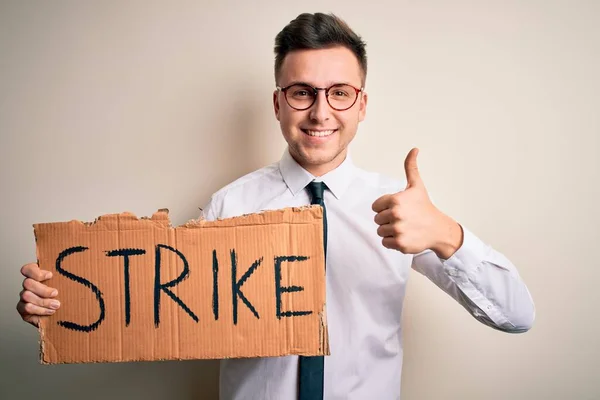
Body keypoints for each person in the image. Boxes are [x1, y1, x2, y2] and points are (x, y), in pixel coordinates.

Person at [17, 12, 535, 400]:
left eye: (339, 93)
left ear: (362, 105)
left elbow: (517, 316)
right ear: (278, 103)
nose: (320, 112)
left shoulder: (401, 212)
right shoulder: (228, 205)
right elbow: (151, 306)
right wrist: (60, 303)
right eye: (302, 92)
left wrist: (448, 234)